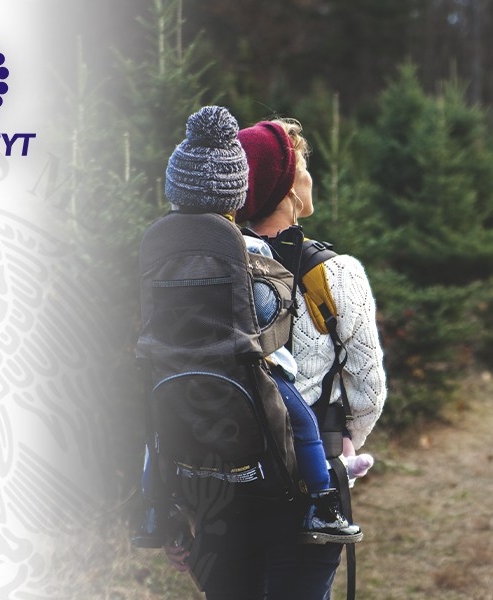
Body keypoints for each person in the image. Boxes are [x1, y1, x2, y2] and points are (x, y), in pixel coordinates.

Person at [162, 108, 387, 599]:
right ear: (287, 188)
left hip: (217, 480)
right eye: (303, 167)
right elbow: (367, 388)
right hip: (306, 486)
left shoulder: (200, 268)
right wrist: (343, 442)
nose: (311, 176)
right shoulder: (336, 273)